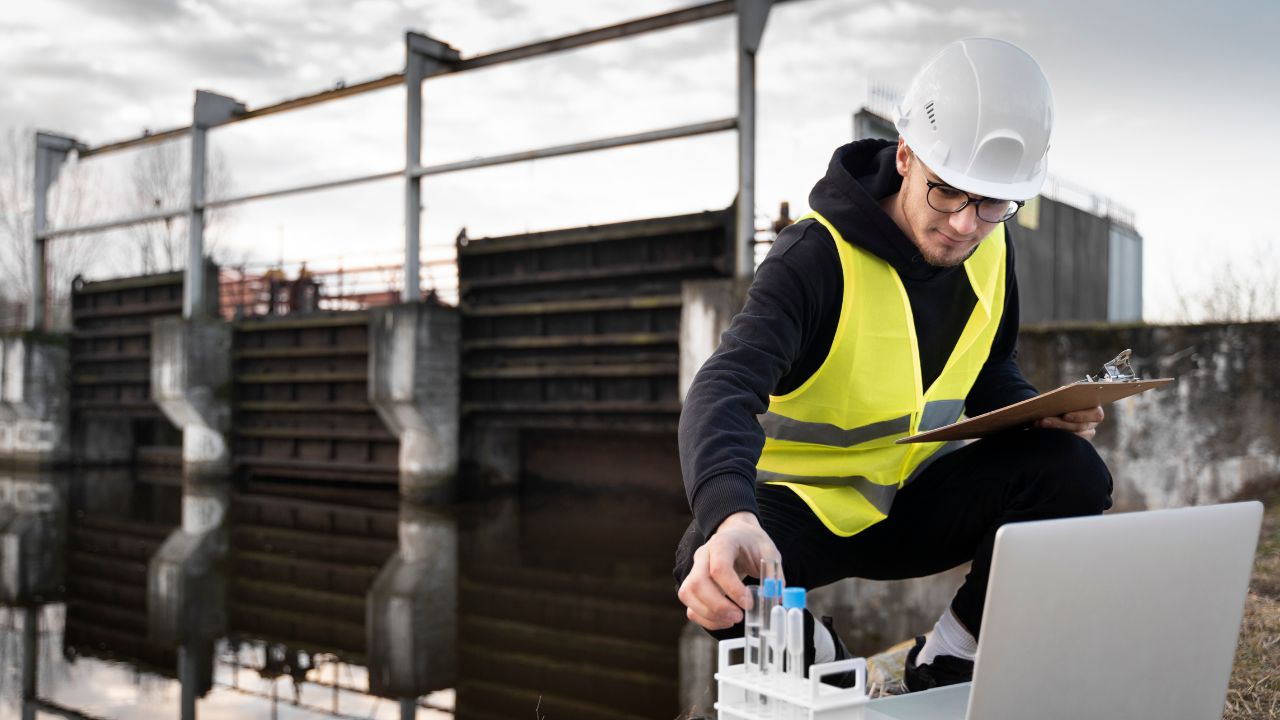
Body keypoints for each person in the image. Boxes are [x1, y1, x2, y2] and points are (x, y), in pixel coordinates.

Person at [673, 37, 1113, 692]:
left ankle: (950, 659)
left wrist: (1035, 417)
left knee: (1073, 472)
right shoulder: (814, 261)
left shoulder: (992, 247)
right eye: (947, 193)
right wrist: (732, 515)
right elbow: (724, 386)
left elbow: (989, 368)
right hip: (810, 512)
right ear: (906, 156)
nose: (967, 225)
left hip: (916, 502)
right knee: (709, 561)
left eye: (992, 203)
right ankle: (831, 672)